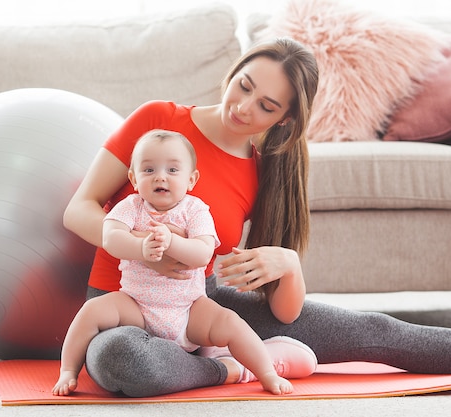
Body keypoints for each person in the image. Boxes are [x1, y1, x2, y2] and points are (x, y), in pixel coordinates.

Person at [62, 37, 451, 398]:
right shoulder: (159, 119)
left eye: (267, 106)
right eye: (245, 85)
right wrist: (143, 250)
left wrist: (289, 265)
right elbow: (78, 209)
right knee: (122, 361)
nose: (243, 107)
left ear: (286, 119)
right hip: (123, 302)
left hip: (201, 307)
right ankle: (226, 368)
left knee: (374, 330)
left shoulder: (264, 173)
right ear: (235, 70)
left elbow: (284, 309)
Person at [53, 129, 316, 396]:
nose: (160, 176)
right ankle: (68, 371)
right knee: (92, 311)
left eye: (172, 170)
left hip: (189, 309)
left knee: (231, 323)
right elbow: (111, 238)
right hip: (136, 306)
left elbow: (202, 252)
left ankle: (266, 373)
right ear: (133, 178)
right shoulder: (131, 207)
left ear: (191, 179)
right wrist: (141, 247)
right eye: (149, 169)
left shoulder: (195, 210)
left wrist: (171, 242)